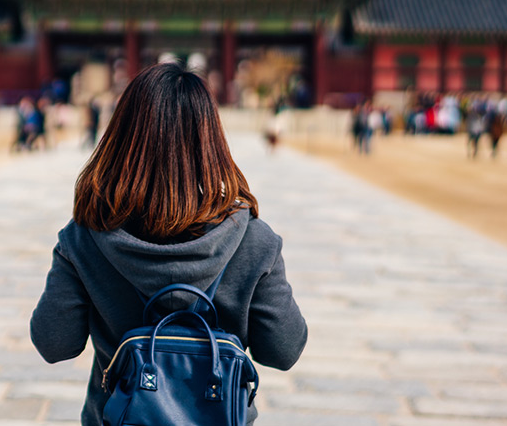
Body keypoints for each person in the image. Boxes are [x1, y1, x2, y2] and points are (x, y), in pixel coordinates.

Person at [30, 62, 307, 426]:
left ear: (122, 136)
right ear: (211, 141)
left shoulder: (86, 235)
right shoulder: (254, 240)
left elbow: (54, 343)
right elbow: (284, 350)